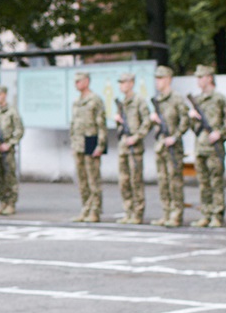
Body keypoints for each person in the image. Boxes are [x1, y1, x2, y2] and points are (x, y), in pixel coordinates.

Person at [188, 64, 226, 228]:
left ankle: (217, 215)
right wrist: (193, 118)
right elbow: (194, 129)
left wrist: (220, 133)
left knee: (216, 183)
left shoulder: (219, 99)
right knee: (203, 183)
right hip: (201, 147)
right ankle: (206, 213)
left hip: (214, 149)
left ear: (209, 78)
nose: (198, 80)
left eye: (201, 77)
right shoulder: (197, 100)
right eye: (197, 77)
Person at [149, 66, 187, 228]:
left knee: (174, 182)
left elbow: (185, 121)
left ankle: (176, 214)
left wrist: (175, 137)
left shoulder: (177, 99)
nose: (157, 82)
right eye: (156, 79)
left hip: (173, 148)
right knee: (163, 182)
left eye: (160, 78)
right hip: (161, 147)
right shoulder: (158, 100)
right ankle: (166, 213)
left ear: (168, 79)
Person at [69, 71, 106, 224]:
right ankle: (85, 208)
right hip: (78, 143)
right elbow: (73, 124)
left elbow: (101, 124)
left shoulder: (95, 99)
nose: (76, 83)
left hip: (91, 140)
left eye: (79, 81)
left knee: (93, 179)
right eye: (75, 81)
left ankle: (95, 211)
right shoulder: (77, 101)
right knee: (82, 180)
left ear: (87, 81)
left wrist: (101, 145)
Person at [114, 73, 151, 225]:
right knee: (124, 181)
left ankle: (138, 212)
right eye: (120, 82)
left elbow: (147, 122)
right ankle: (128, 211)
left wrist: (136, 137)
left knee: (136, 181)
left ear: (131, 83)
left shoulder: (139, 101)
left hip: (134, 148)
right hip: (123, 147)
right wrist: (118, 122)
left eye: (123, 82)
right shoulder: (122, 103)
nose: (121, 85)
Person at [0, 87, 24, 217]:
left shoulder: (11, 111)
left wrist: (9, 144)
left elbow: (19, 130)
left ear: (4, 95)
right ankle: (2, 202)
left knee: (9, 177)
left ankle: (11, 203)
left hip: (7, 150)